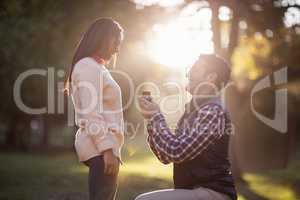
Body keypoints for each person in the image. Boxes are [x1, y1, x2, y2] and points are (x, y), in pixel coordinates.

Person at [137, 54, 237, 200]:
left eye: (195, 69)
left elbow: (176, 152)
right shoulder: (195, 111)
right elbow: (165, 156)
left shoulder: (212, 111)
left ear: (210, 77)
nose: (188, 73)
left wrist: (156, 116)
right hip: (197, 190)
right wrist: (151, 120)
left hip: (212, 192)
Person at [64, 18, 124, 200]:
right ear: (103, 38)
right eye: (116, 42)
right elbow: (91, 113)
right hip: (100, 150)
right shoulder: (88, 66)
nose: (117, 49)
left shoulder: (96, 67)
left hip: (104, 148)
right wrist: (107, 150)